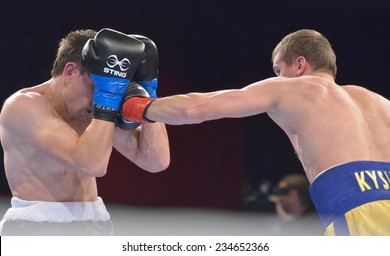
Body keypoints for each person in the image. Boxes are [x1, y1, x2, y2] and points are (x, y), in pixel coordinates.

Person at [122, 29, 390, 236]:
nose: (277, 77)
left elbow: (198, 108)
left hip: (358, 213)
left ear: (299, 65)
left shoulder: (293, 88)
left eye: (278, 70)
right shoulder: (378, 102)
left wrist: (137, 107)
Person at [0, 28, 170, 235]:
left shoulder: (92, 108)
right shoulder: (23, 106)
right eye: (98, 86)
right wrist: (106, 98)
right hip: (36, 229)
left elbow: (155, 161)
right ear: (70, 71)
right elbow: (92, 164)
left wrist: (148, 93)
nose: (102, 95)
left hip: (95, 224)